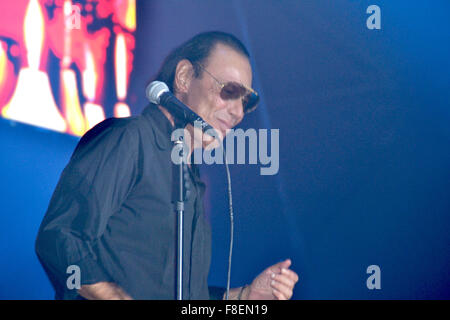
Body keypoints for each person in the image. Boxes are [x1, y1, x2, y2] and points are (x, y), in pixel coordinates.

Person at [35, 31, 299, 300]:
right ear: (184, 76)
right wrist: (108, 295)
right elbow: (57, 238)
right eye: (229, 91)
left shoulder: (189, 179)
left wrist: (243, 296)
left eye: (246, 101)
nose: (239, 112)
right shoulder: (131, 139)